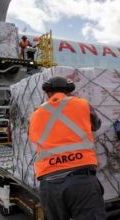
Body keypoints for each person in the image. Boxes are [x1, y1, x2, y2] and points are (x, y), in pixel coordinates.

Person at [28, 76, 106, 220]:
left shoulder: (35, 114)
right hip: (81, 180)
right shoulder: (82, 104)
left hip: (49, 185)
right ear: (69, 91)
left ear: (47, 93)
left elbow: (33, 137)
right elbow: (96, 125)